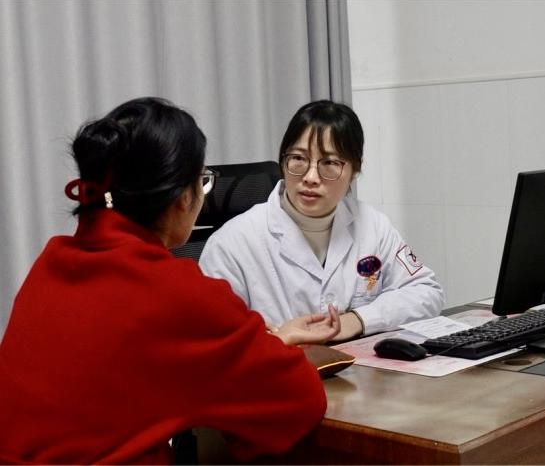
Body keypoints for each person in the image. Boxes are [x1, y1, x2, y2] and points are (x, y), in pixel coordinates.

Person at [0, 97, 340, 464]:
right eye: (203, 181)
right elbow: (299, 401)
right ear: (181, 197)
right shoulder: (173, 291)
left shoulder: (51, 264)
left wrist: (271, 339)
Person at [200, 99, 444, 341]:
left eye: (329, 163)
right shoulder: (231, 243)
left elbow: (426, 292)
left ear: (355, 170)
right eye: (298, 158)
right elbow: (214, 338)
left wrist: (358, 320)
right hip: (277, 364)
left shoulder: (373, 226)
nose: (311, 177)